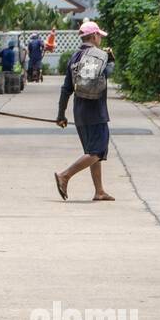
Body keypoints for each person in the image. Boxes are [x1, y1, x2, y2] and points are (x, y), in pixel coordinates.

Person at [55, 19, 116, 202]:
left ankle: (99, 191)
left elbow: (66, 89)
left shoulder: (74, 58)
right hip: (95, 111)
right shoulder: (98, 56)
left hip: (80, 111)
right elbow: (105, 76)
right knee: (98, 151)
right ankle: (64, 176)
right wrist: (110, 63)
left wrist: (61, 114)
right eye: (99, 36)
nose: (101, 39)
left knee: (92, 151)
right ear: (95, 36)